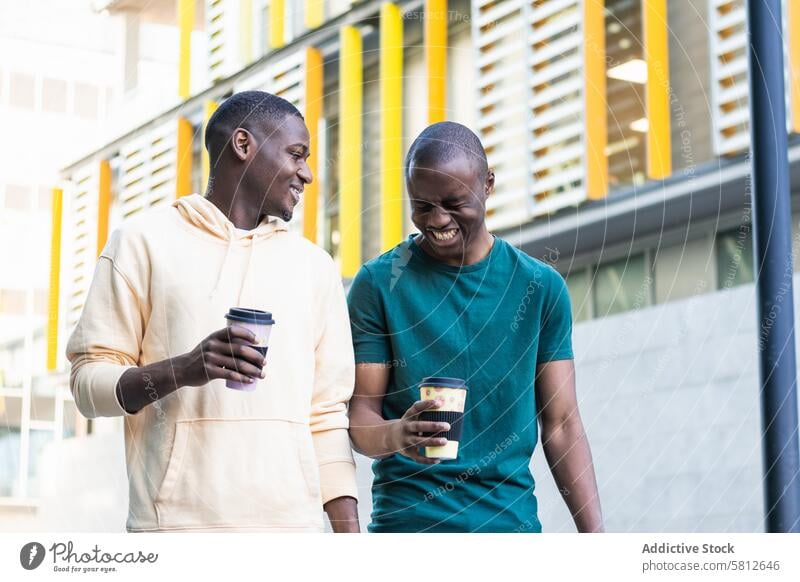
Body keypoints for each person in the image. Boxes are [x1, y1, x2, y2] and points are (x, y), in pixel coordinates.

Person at [67, 91, 359, 533]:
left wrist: (350, 545)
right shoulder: (141, 243)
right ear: (243, 146)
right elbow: (88, 387)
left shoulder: (315, 267)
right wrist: (184, 369)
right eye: (296, 154)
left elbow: (327, 415)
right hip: (176, 534)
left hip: (292, 539)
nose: (308, 173)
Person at [347, 122, 603, 533]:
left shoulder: (539, 288)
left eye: (453, 202)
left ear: (487, 184)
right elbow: (361, 415)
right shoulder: (378, 284)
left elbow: (562, 423)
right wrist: (398, 435)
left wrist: (596, 541)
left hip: (510, 531)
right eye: (422, 205)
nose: (436, 220)